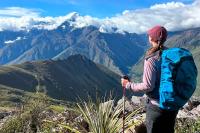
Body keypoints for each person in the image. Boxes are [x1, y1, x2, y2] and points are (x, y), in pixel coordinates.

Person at [121, 25, 178, 133]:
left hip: (157, 107)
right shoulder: (170, 54)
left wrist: (128, 85)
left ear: (151, 38)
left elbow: (148, 85)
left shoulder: (152, 59)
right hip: (171, 105)